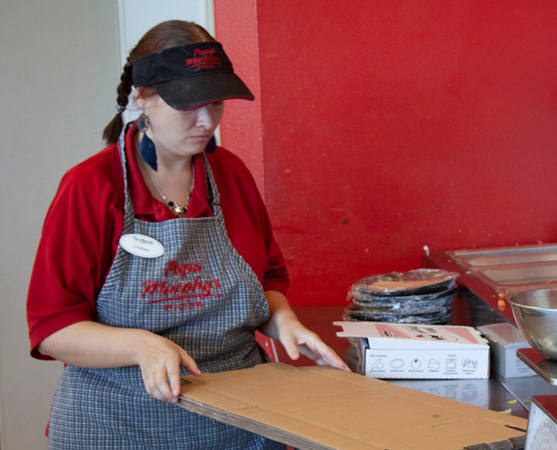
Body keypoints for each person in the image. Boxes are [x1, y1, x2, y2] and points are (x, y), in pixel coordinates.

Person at [26, 20, 347, 450]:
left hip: (242, 419)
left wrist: (283, 320)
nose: (205, 121)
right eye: (188, 105)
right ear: (143, 97)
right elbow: (52, 327)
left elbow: (265, 279)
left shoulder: (231, 176)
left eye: (216, 104)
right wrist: (140, 346)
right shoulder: (91, 187)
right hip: (119, 425)